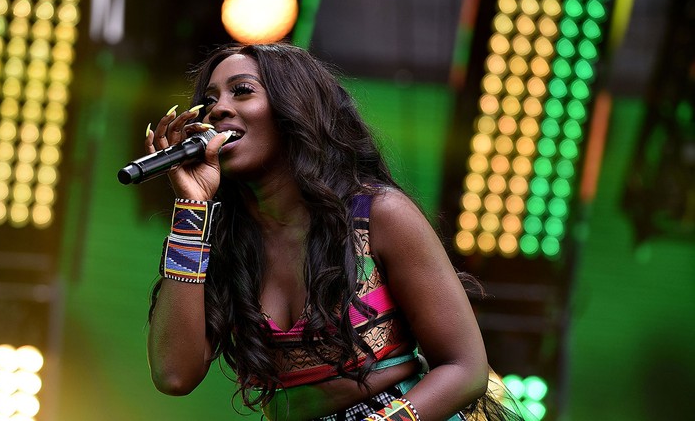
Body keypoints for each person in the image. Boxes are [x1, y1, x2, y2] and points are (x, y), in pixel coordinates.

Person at [144, 42, 523, 421]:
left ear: (294, 107)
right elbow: (174, 374)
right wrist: (191, 210)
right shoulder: (225, 241)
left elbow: (465, 369)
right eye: (209, 101)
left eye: (242, 91)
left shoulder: (379, 214)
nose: (218, 109)